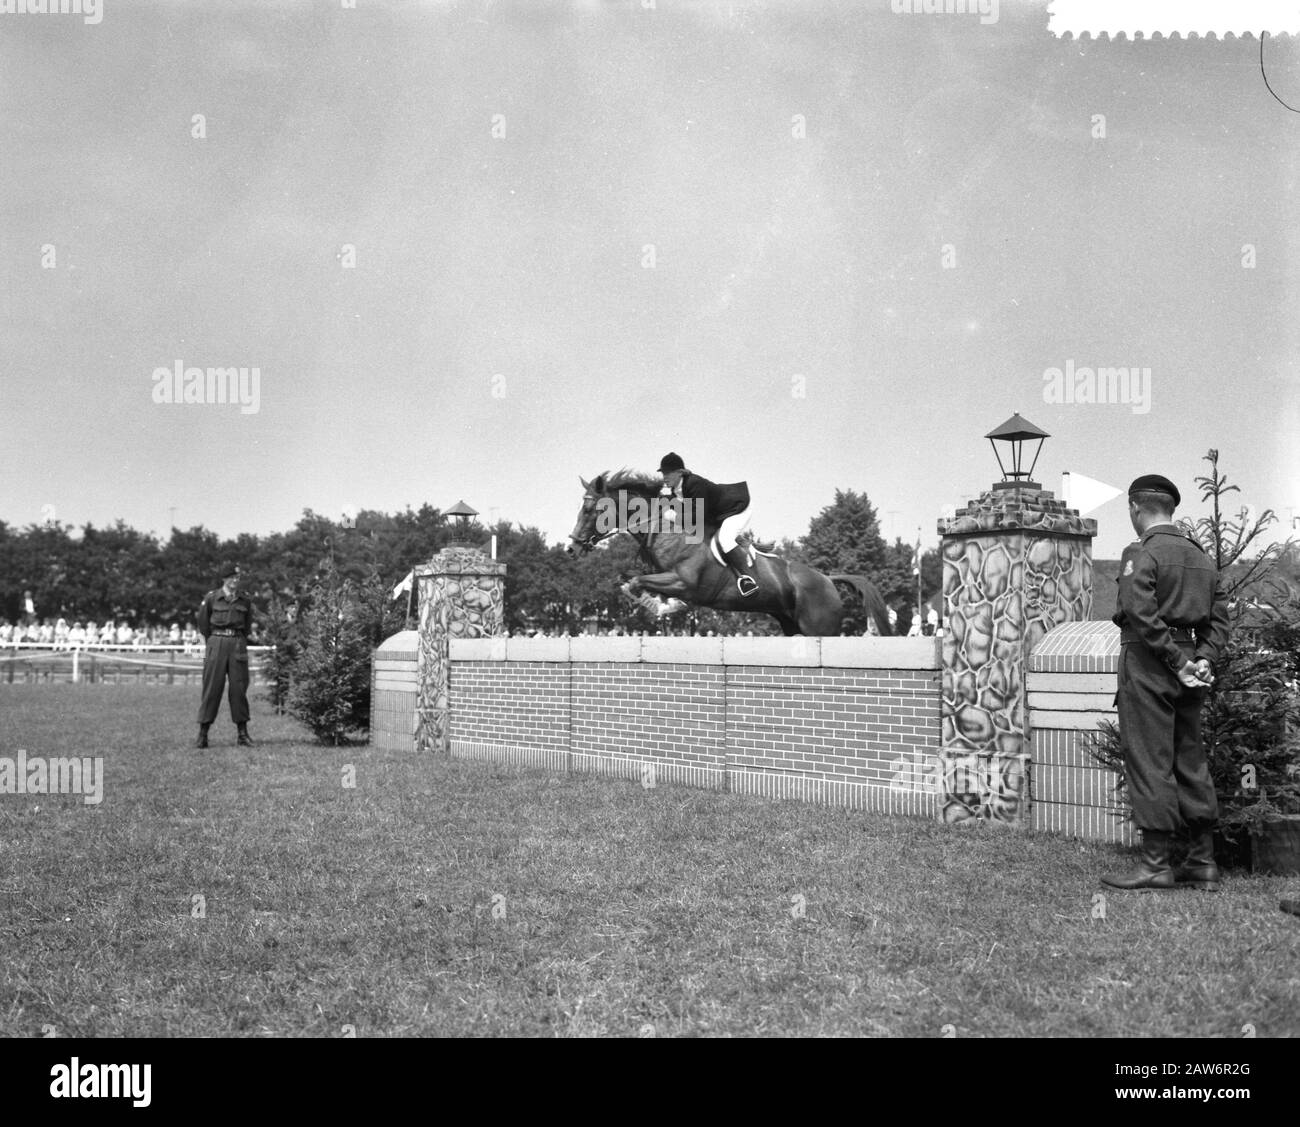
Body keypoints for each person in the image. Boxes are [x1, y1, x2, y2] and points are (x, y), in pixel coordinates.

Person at [1101, 475, 1230, 892]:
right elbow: (1220, 619)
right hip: (1192, 662)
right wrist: (1201, 660)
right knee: (1189, 758)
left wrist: (1174, 662)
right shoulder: (1202, 558)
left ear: (1136, 509)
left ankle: (1157, 865)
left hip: (1149, 660)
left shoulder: (1140, 552)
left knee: (1148, 757)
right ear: (1171, 508)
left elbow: (1139, 612)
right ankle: (1202, 863)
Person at [657, 452, 759, 597]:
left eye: (668, 473)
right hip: (718, 515)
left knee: (725, 539)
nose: (664, 477)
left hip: (737, 507)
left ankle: (749, 579)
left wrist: (673, 516)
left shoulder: (694, 483)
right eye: (663, 473)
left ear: (680, 473)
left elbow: (698, 517)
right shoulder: (675, 490)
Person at [195, 564, 258, 749]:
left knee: (239, 689)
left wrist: (236, 639)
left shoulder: (244, 600)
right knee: (212, 689)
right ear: (224, 579)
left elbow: (246, 626)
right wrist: (214, 641)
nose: (235, 581)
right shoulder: (212, 598)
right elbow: (203, 624)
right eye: (232, 578)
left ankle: (242, 734)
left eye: (237, 578)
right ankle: (203, 734)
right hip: (216, 642)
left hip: (237, 643)